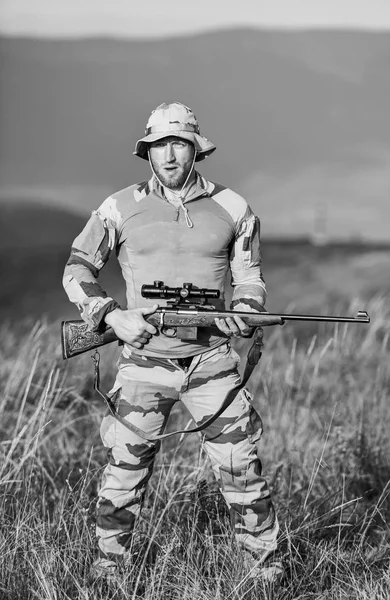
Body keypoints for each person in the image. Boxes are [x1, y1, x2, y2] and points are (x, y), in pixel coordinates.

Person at [63, 102, 281, 582]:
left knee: (241, 466)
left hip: (212, 361)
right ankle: (108, 570)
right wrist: (111, 316)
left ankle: (265, 571)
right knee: (124, 472)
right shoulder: (118, 207)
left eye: (178, 142)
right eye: (159, 144)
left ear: (195, 149)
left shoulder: (235, 208)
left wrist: (244, 312)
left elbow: (250, 278)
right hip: (141, 362)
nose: (168, 154)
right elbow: (78, 269)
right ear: (147, 151)